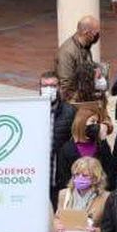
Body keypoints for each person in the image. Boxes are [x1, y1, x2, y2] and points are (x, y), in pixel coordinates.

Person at [55, 109, 116, 193]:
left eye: (97, 122)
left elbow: (110, 170)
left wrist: (103, 138)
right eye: (92, 121)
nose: (96, 125)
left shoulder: (101, 146)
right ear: (81, 122)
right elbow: (63, 178)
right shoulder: (67, 149)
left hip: (98, 193)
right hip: (75, 194)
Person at [42, 71, 77, 203]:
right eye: (45, 86)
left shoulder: (70, 112)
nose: (48, 89)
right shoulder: (31, 111)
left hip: (59, 176)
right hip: (38, 177)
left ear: (59, 88)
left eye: (52, 86)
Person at [56, 16, 102, 103]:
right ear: (86, 33)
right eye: (96, 33)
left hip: (82, 96)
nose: (97, 35)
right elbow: (66, 87)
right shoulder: (67, 52)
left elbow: (85, 66)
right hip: (73, 102)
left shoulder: (85, 47)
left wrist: (94, 70)